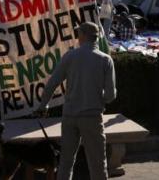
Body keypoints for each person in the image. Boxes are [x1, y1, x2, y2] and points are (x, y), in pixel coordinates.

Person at [35, 22, 116, 180]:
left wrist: (43, 105)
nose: (77, 36)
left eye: (79, 33)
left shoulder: (70, 56)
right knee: (98, 164)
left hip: (70, 116)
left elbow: (52, 83)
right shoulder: (106, 60)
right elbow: (110, 96)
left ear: (84, 36)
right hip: (92, 117)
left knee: (65, 163)